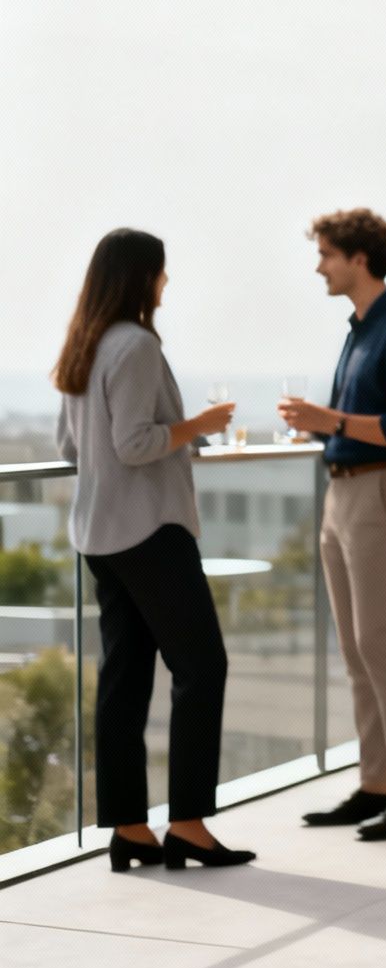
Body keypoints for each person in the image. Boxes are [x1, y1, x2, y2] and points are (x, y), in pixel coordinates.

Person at [53, 229, 255, 872]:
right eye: (161, 272)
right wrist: (198, 426)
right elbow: (136, 444)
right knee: (202, 667)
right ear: (141, 277)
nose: (166, 282)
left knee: (125, 677)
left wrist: (166, 437)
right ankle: (188, 826)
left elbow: (70, 447)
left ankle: (131, 830)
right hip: (149, 531)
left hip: (99, 535)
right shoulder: (136, 344)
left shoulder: (84, 344)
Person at [282, 209, 386, 842]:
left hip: (383, 490)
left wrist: (331, 421)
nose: (319, 266)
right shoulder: (360, 331)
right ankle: (375, 784)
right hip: (343, 493)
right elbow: (352, 424)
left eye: (326, 254)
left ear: (358, 257)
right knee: (355, 649)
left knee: (380, 643)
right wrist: (323, 427)